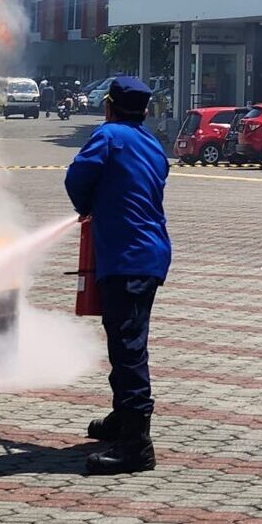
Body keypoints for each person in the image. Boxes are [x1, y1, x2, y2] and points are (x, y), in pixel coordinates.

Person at [64, 76, 172, 474]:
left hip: (127, 258)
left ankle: (136, 446)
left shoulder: (108, 136)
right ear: (144, 111)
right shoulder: (152, 145)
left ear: (109, 106)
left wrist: (86, 205)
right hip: (150, 255)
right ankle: (121, 420)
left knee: (128, 350)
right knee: (124, 339)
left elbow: (77, 178)